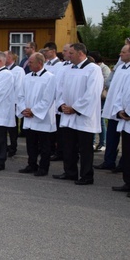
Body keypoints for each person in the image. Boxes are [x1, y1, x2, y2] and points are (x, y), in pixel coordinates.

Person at [53, 43, 103, 185]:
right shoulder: (68, 69)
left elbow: (92, 93)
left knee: (85, 149)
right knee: (68, 146)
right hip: (68, 115)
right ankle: (70, 172)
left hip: (83, 116)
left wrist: (75, 108)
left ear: (81, 53)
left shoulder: (93, 69)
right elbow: (60, 89)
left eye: (71, 53)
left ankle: (86, 176)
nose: (67, 56)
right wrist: (62, 105)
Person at [17, 52, 57, 176]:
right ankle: (32, 164)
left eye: (31, 62)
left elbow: (48, 99)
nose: (28, 64)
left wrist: (33, 111)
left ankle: (44, 167)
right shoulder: (27, 77)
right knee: (31, 144)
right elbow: (20, 95)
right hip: (29, 117)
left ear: (40, 63)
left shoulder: (50, 77)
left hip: (42, 117)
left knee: (44, 145)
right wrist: (24, 109)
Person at [97, 44, 130, 172]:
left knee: (126, 140)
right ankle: (109, 160)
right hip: (115, 109)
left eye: (123, 52)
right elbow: (115, 89)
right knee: (112, 137)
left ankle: (123, 164)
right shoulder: (121, 68)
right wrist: (117, 108)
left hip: (125, 110)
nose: (120, 54)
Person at [5, 51, 26, 157]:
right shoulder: (3, 70)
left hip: (12, 102)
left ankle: (13, 146)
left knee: (12, 126)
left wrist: (16, 103)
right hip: (3, 103)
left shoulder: (18, 70)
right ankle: (4, 145)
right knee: (3, 125)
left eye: (5, 56)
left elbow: (19, 87)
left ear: (11, 58)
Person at [89, 51, 110, 151]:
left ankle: (103, 142)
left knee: (101, 120)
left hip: (101, 97)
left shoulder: (104, 68)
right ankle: (93, 142)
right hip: (94, 97)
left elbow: (107, 81)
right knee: (93, 119)